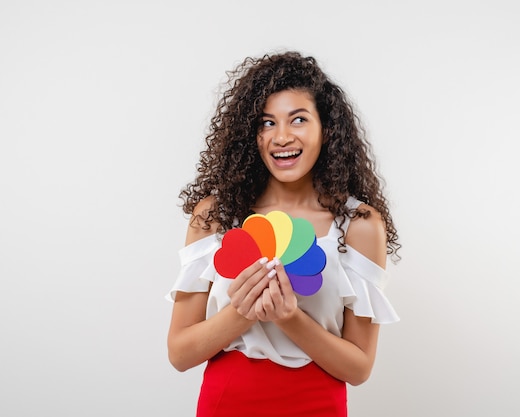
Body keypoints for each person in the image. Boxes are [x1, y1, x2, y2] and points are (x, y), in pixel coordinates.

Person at [166, 51, 401, 417]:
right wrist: (241, 313)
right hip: (227, 403)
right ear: (250, 134)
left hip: (317, 405)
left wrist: (288, 316)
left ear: (326, 128)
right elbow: (180, 353)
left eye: (299, 119)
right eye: (266, 123)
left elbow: (359, 368)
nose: (282, 136)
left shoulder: (358, 225)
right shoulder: (215, 215)